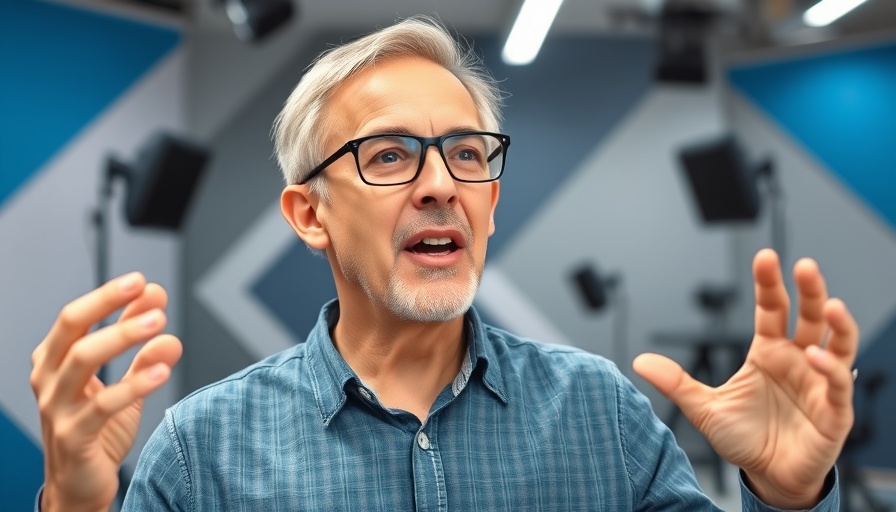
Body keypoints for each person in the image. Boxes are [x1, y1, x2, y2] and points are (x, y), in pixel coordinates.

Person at [31, 16, 858, 511]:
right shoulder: (201, 451)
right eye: (389, 156)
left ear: (492, 202)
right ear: (309, 214)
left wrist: (787, 499)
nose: (439, 185)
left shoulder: (601, 416)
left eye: (467, 154)